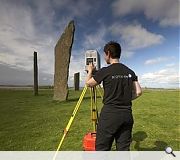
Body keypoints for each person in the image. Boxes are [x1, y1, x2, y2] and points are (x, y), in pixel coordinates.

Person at [85, 41, 142, 151]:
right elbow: (139, 92)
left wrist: (90, 71)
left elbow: (88, 84)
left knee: (102, 148)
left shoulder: (105, 71)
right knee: (123, 150)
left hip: (110, 115)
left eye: (105, 54)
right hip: (127, 115)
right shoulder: (130, 71)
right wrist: (124, 99)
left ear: (108, 53)